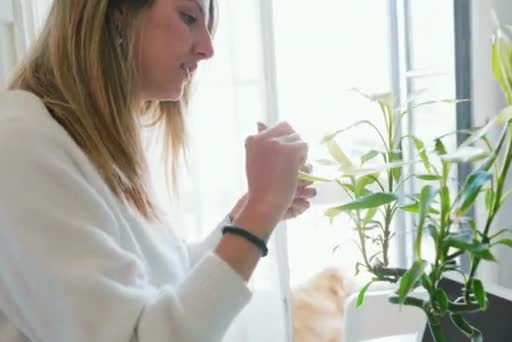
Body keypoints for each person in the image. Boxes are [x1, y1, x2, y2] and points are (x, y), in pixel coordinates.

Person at [0, 0, 316, 341]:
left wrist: (250, 211)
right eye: (189, 17)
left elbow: (170, 281)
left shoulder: (92, 145)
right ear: (117, 13)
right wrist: (259, 213)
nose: (208, 48)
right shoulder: (21, 143)